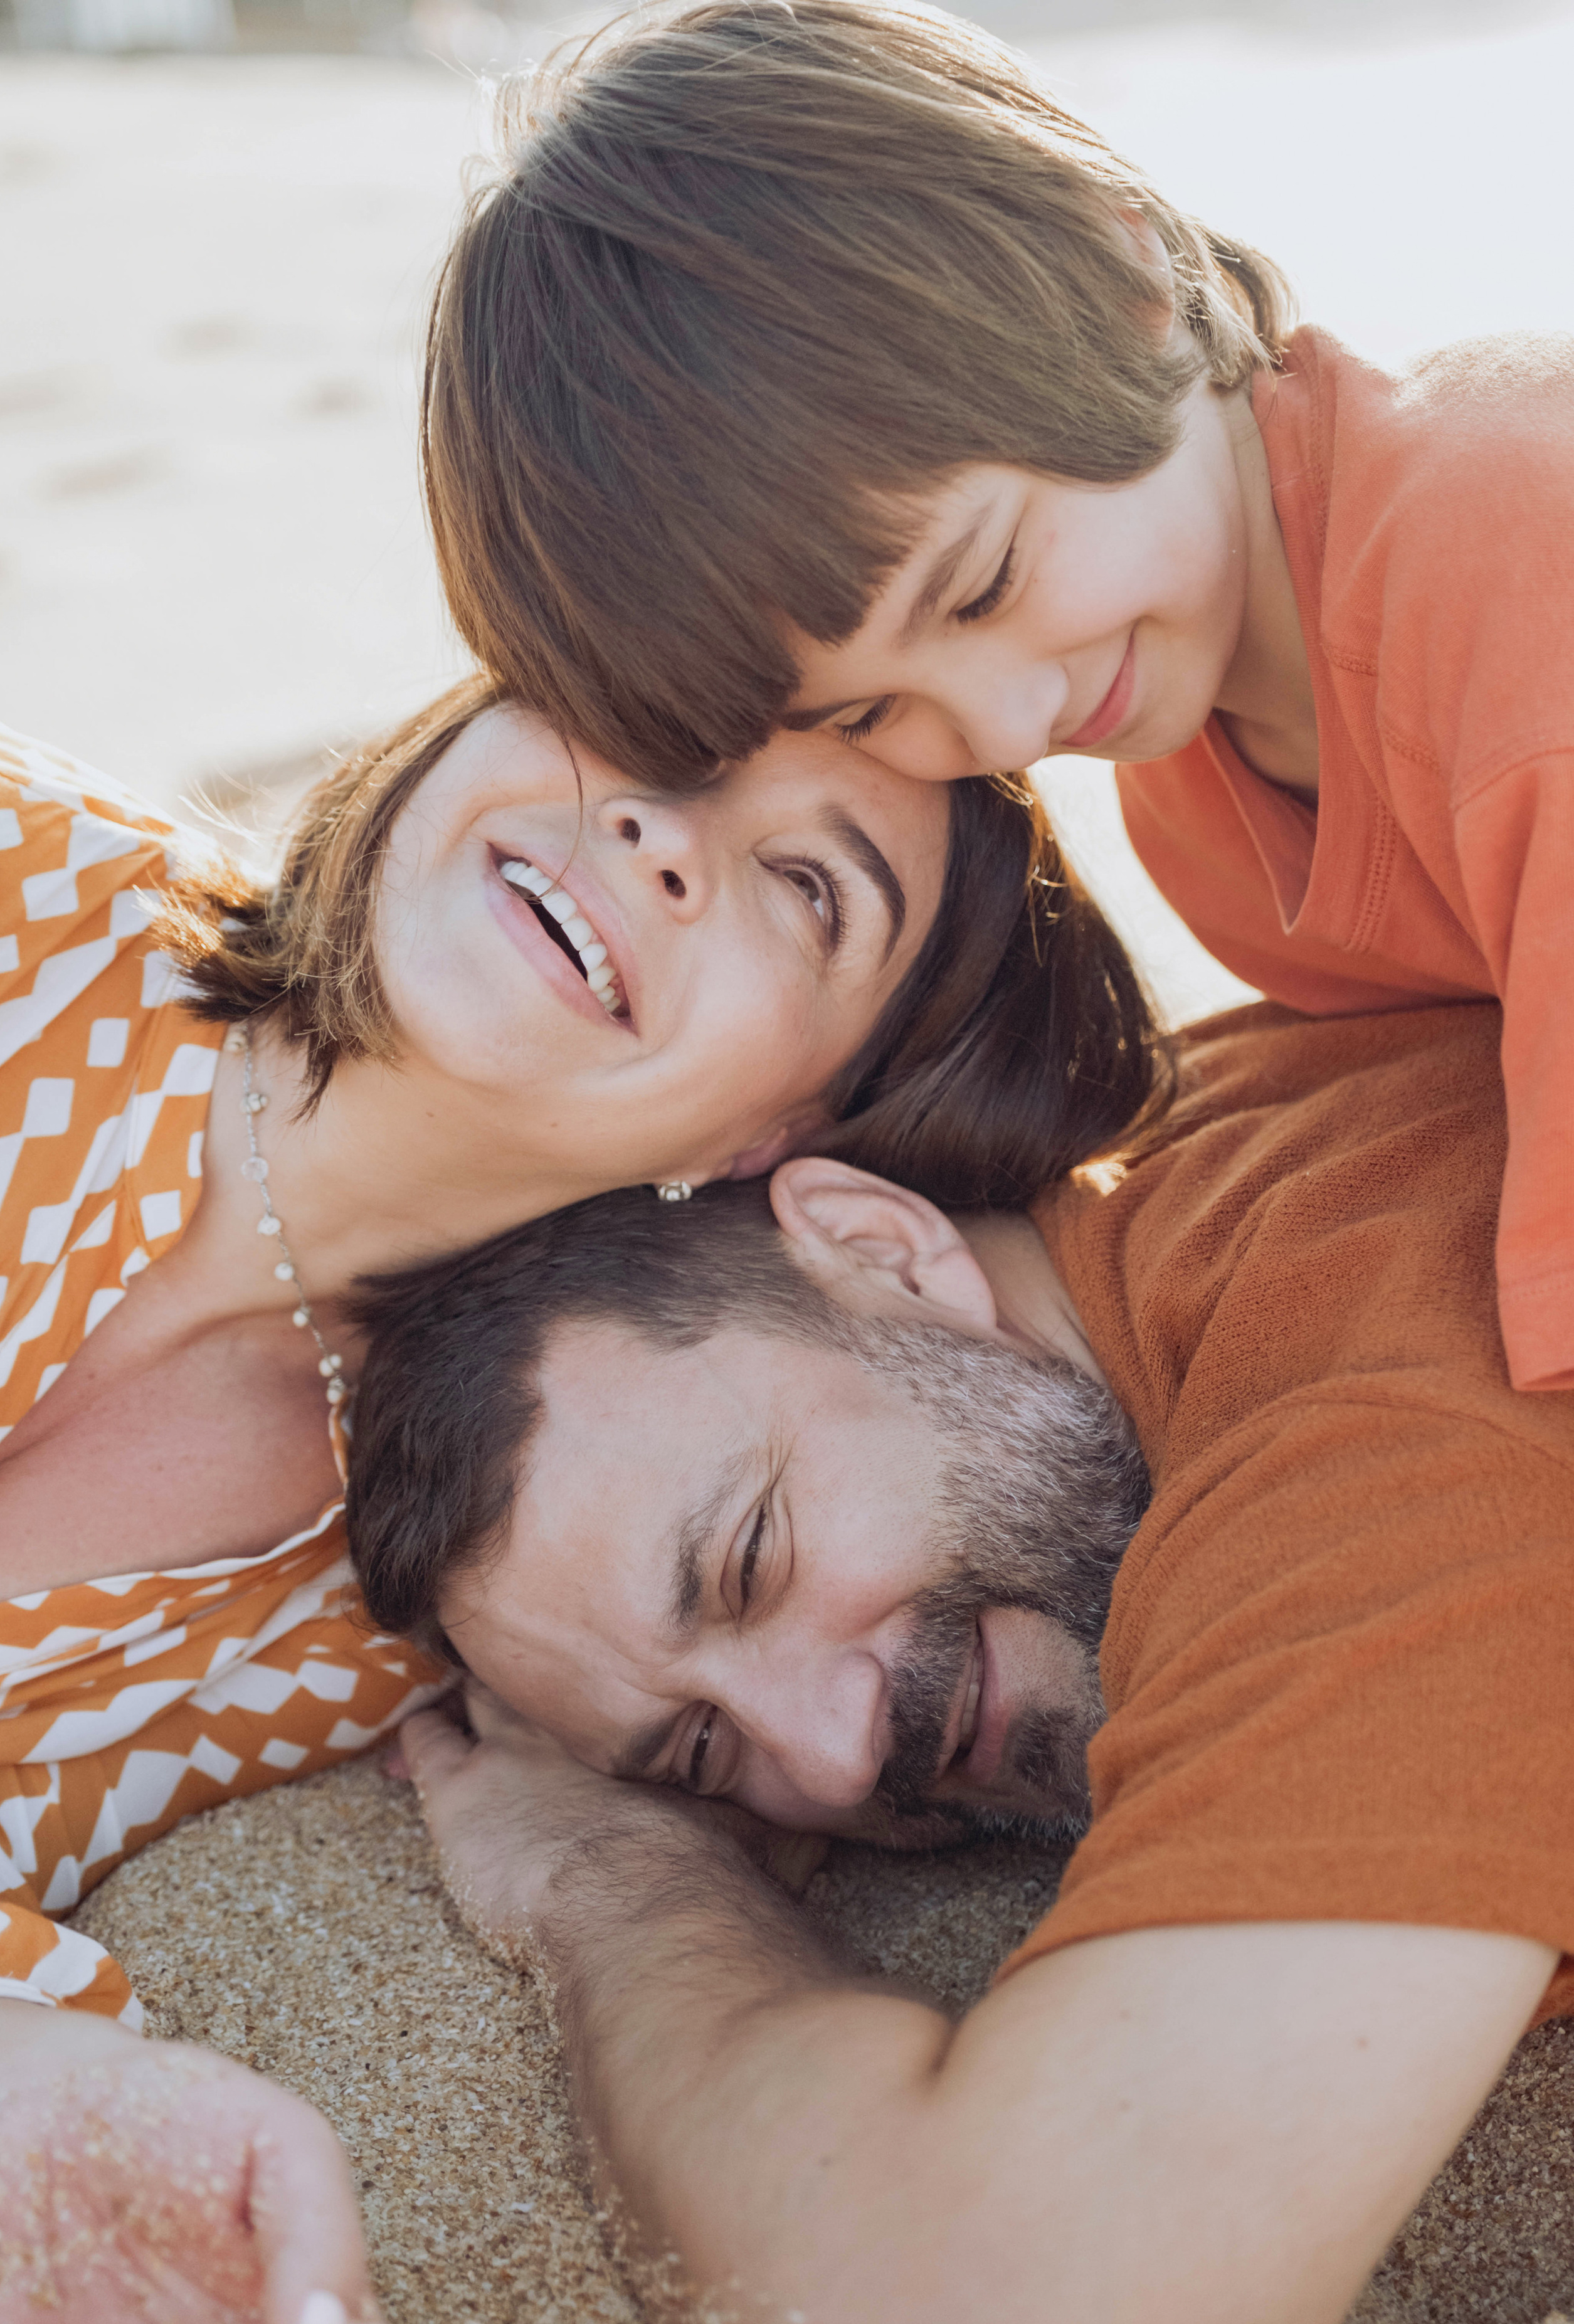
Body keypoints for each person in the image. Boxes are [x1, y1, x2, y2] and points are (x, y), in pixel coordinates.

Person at [0, 690, 1158, 2324]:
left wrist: (13, 2083)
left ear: (787, 1135)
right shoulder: (13, 903)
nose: (663, 838)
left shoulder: (401, 1604)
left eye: (807, 888)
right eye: (630, 712)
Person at [347, 996, 1574, 2324]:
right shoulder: (1209, 1144)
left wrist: (611, 1872)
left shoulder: (1378, 1418)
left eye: (751, 1559)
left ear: (882, 1251)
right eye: (699, 1752)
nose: (829, 1752)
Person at [419, 0, 1574, 1397]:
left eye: (977, 582)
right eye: (861, 715)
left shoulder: (1510, 562)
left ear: (1115, 270)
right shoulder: (1193, 785)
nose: (1005, 730)